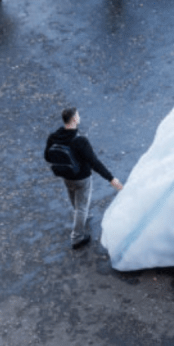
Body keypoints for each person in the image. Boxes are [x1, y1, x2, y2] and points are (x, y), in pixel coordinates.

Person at [43, 107, 124, 249]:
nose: (79, 117)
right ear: (74, 119)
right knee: (82, 207)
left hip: (66, 176)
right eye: (78, 115)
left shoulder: (53, 137)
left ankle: (81, 218)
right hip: (82, 178)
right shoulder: (80, 141)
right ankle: (77, 237)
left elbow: (47, 157)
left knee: (75, 200)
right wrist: (111, 178)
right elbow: (94, 162)